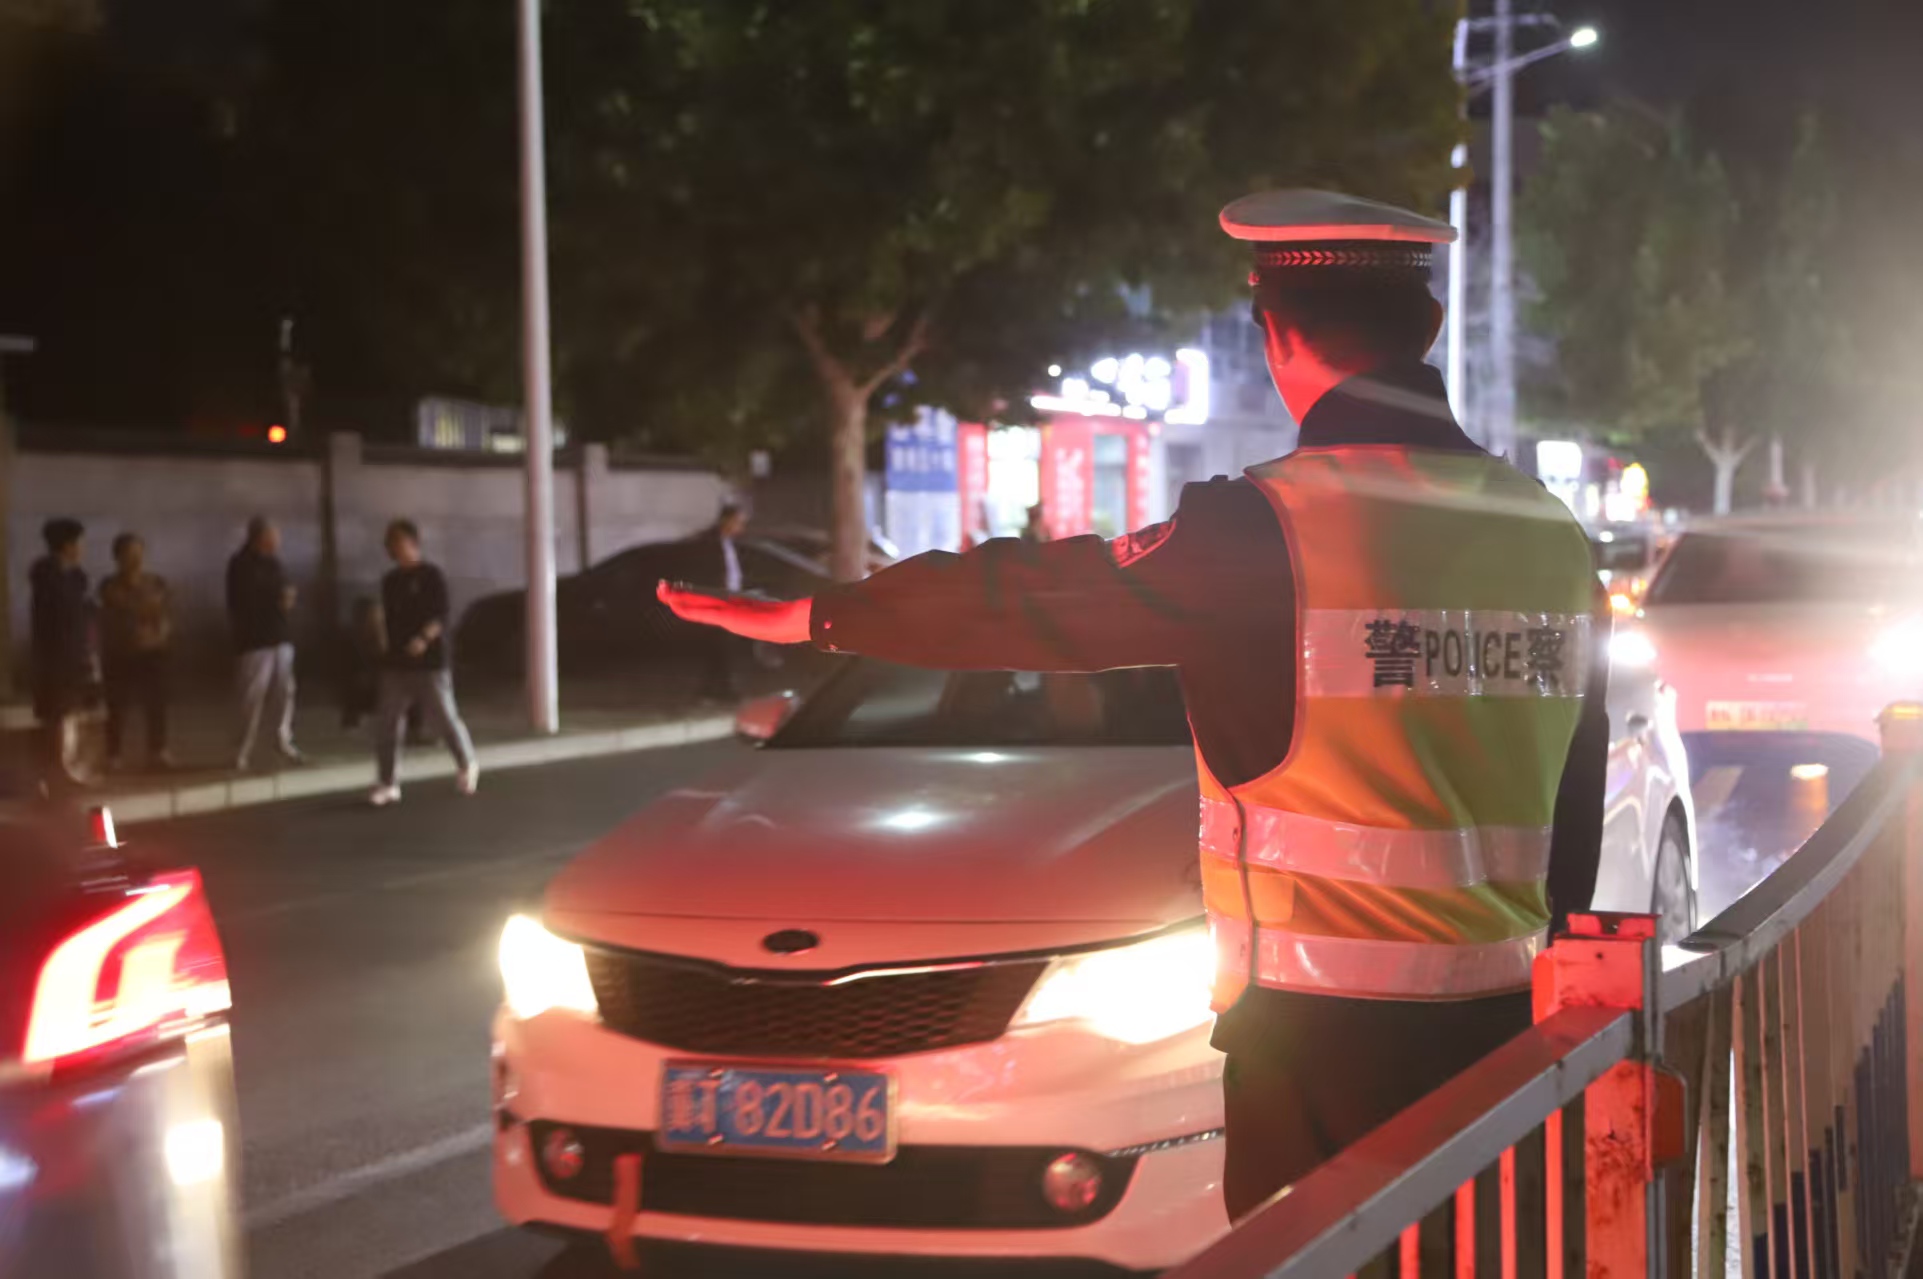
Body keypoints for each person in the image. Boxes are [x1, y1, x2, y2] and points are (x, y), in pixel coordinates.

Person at [661, 190, 1610, 1227]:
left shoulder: (1266, 523)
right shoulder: (1550, 532)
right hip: (1502, 1035)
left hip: (1316, 1046)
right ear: (1428, 327)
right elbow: (1578, 789)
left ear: (1275, 336)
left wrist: (821, 615)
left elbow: (1038, 601)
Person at [368, 519, 478, 806]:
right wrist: (382, 643)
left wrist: (423, 639)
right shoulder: (390, 581)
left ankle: (466, 763)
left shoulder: (431, 575)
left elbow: (440, 615)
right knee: (387, 722)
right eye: (391, 543)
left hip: (429, 662)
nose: (395, 548)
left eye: (399, 541)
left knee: (443, 717)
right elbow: (388, 619)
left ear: (413, 542)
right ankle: (388, 782)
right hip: (396, 662)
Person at [227, 516, 302, 769]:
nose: (277, 540)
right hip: (255, 640)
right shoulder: (241, 564)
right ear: (260, 537)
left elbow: (285, 588)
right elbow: (243, 601)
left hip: (280, 636)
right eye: (273, 535)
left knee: (284, 692)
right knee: (251, 696)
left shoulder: (275, 563)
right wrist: (276, 599)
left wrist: (286, 598)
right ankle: (241, 749)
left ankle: (282, 739)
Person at [97, 532, 174, 771]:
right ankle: (113, 754)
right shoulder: (109, 585)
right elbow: (125, 608)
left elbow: (165, 611)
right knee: (117, 705)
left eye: (139, 553)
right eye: (130, 554)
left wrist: (160, 630)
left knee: (156, 703)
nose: (136, 559)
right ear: (118, 557)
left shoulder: (156, 582)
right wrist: (147, 606)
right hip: (120, 653)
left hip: (152, 651)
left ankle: (157, 751)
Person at [29, 517, 96, 787]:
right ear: (68, 545)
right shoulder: (49, 578)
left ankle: (67, 766)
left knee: (70, 714)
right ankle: (58, 769)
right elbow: (56, 623)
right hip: (57, 659)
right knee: (58, 715)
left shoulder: (75, 578)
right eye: (79, 543)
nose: (82, 548)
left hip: (74, 656)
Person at [690, 502, 750, 700]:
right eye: (738, 522)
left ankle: (712, 690)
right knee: (720, 647)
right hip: (716, 603)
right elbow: (704, 574)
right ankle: (722, 691)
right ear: (726, 520)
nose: (741, 527)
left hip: (730, 602)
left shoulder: (730, 543)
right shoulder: (709, 543)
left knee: (721, 648)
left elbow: (732, 573)